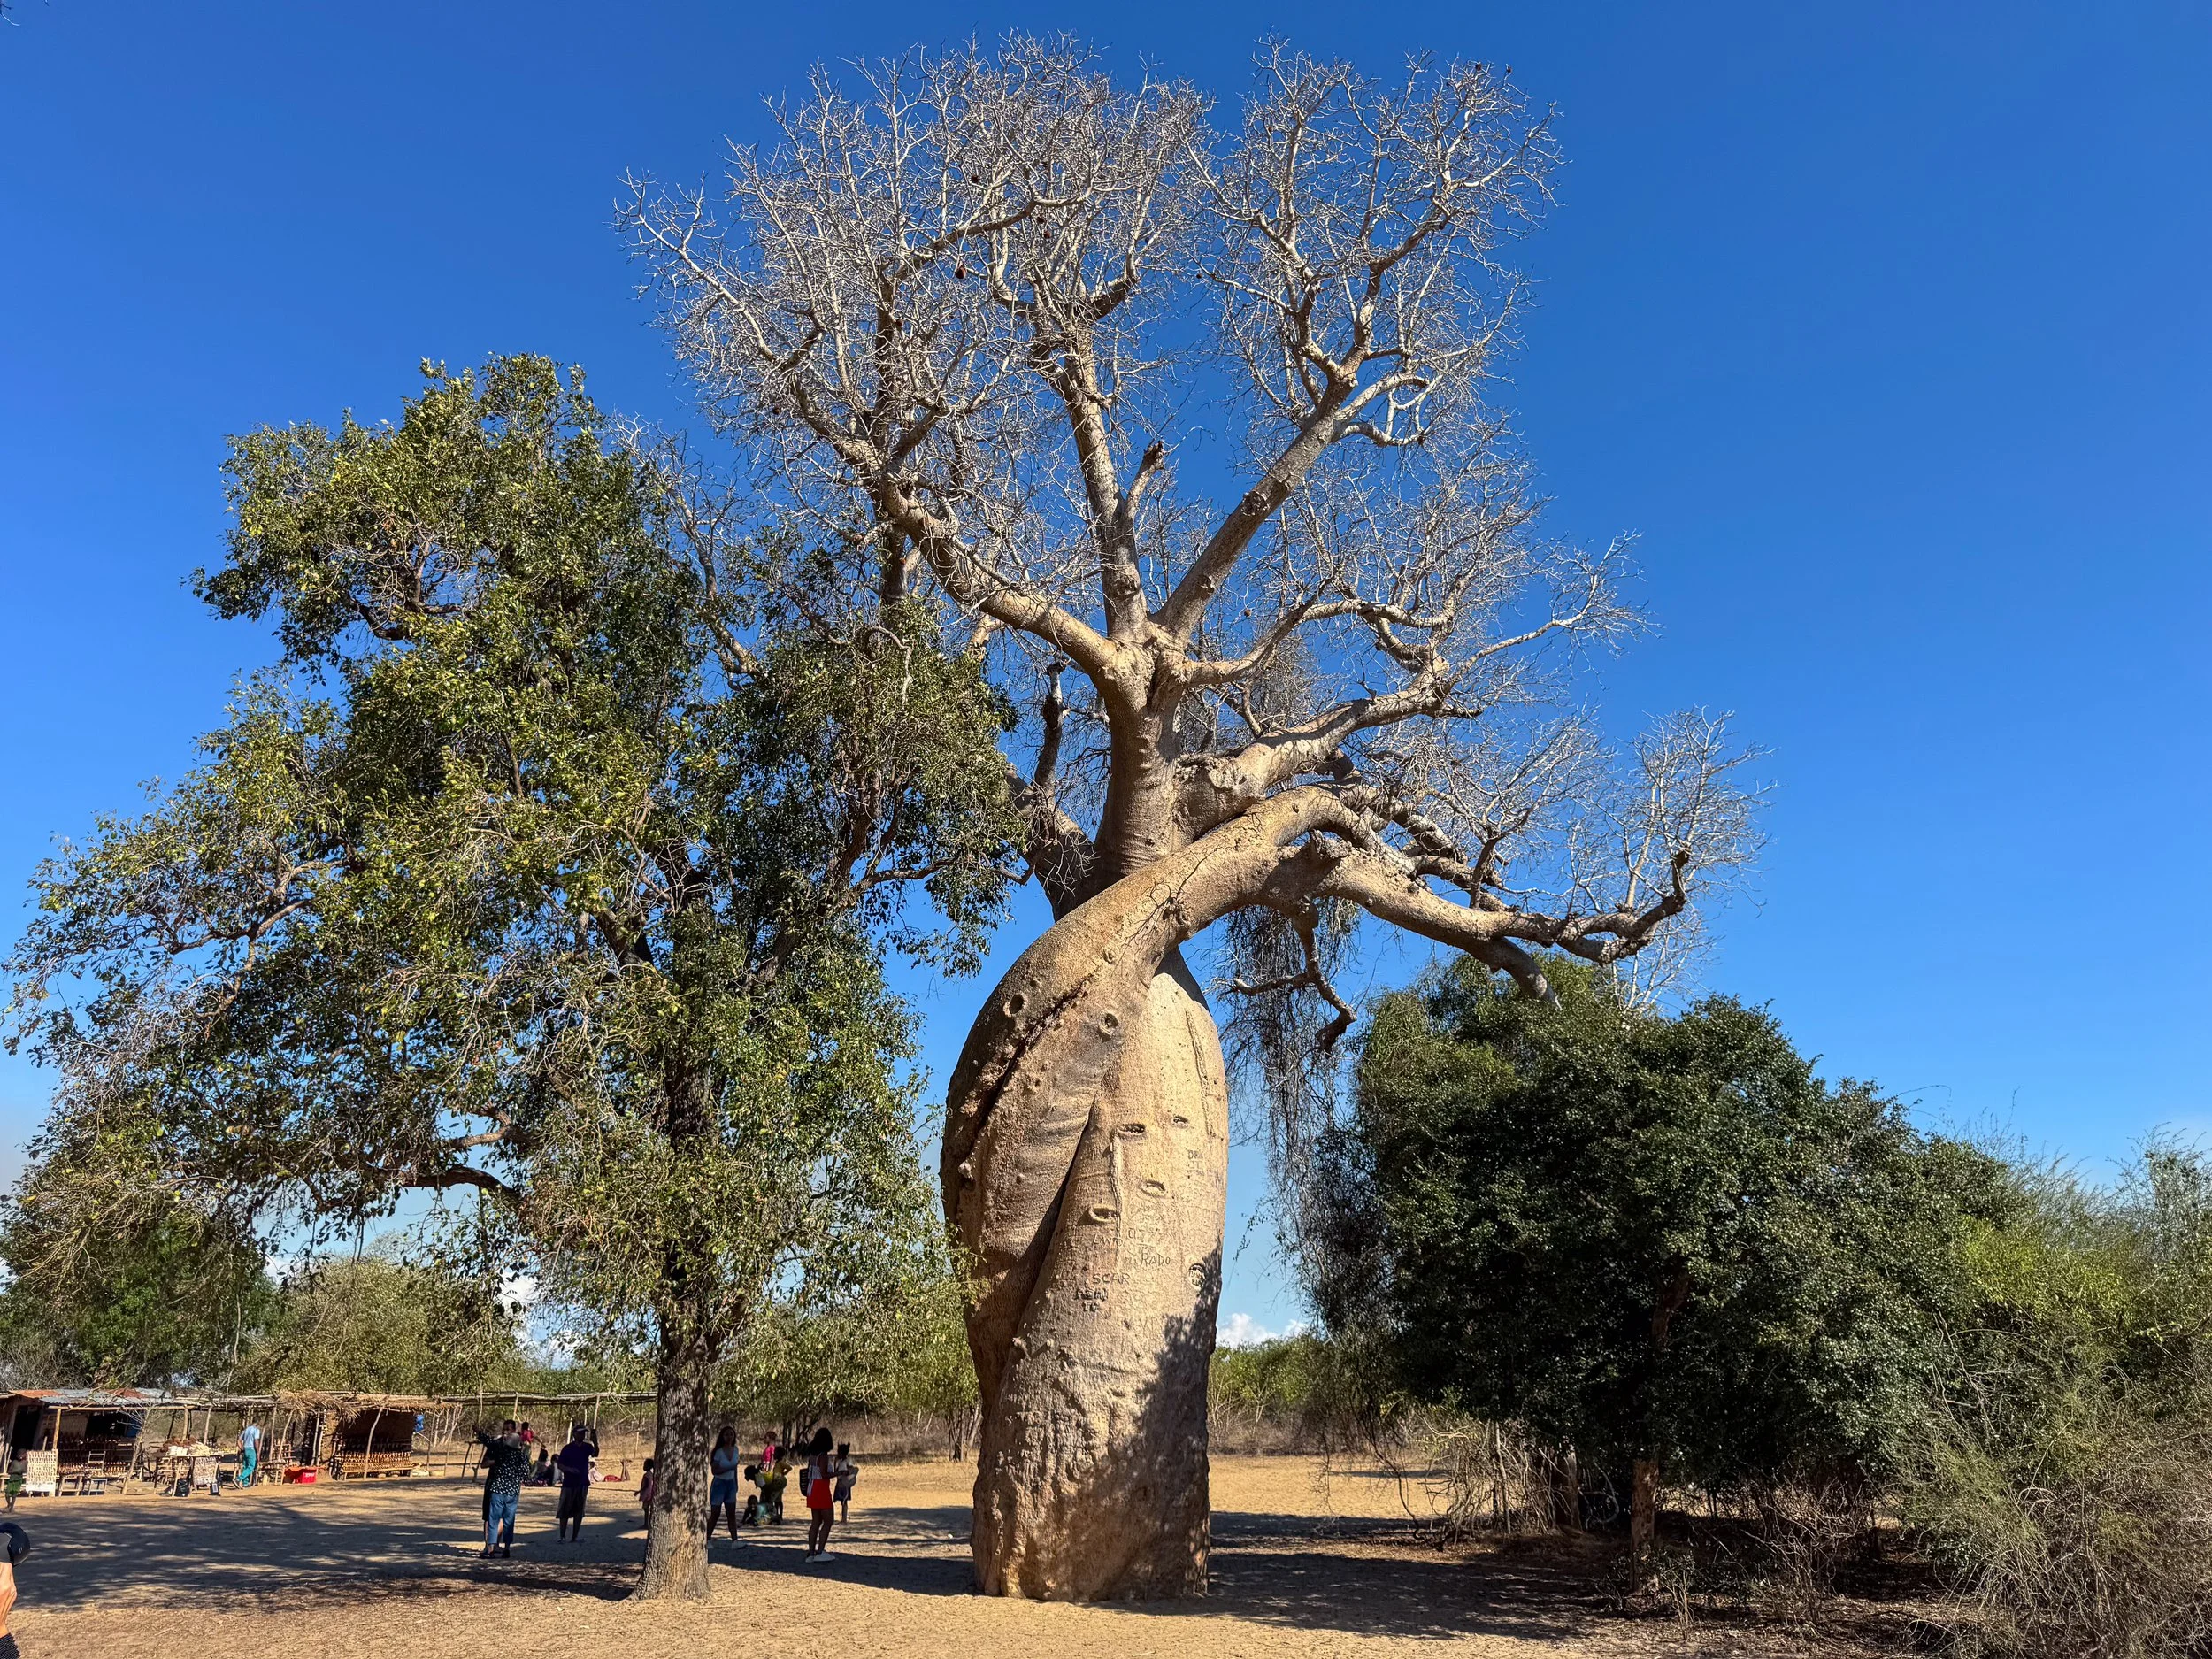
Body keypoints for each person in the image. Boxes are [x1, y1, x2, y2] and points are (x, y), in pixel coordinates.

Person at [478, 1420, 529, 1558]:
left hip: (498, 1490)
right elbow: (526, 1475)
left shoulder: (501, 1453)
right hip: (513, 1493)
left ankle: (490, 1549)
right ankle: (507, 1548)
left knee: (493, 1519)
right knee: (509, 1521)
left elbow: (489, 1442)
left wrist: (478, 1432)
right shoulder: (522, 1457)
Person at [554, 1422, 598, 1542]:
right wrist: (570, 1470)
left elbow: (596, 1453)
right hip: (569, 1483)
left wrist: (595, 1441)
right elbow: (560, 1465)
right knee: (565, 1509)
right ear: (574, 1434)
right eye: (580, 1433)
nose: (582, 1435)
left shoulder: (587, 1447)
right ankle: (562, 1536)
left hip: (582, 1482)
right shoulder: (567, 1448)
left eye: (584, 1433)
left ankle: (575, 1536)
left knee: (579, 1510)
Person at [802, 1427, 838, 1561]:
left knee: (815, 1522)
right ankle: (820, 1551)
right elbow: (824, 1474)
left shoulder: (812, 1456)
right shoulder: (823, 1456)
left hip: (812, 1489)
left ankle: (811, 1552)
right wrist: (838, 1473)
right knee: (828, 1521)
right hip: (821, 1489)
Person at [706, 1425, 745, 1543]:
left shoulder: (736, 1450)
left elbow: (735, 1468)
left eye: (731, 1434)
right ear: (722, 1437)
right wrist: (728, 1468)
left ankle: (735, 1540)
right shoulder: (718, 1452)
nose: (729, 1437)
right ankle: (707, 1539)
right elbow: (714, 1471)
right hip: (719, 1484)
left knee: (731, 1513)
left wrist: (736, 1483)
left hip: (731, 1484)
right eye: (726, 1435)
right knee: (715, 1513)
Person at [832, 1441, 856, 1525]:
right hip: (839, 1482)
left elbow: (851, 1470)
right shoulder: (837, 1461)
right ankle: (842, 1518)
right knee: (841, 1500)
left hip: (845, 1483)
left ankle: (844, 1519)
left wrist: (847, 1472)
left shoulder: (847, 1461)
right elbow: (835, 1471)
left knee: (844, 1501)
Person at [237, 1420, 262, 1490]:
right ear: (258, 1423)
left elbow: (238, 1440)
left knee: (246, 1466)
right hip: (251, 1449)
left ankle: (245, 1483)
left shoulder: (247, 1430)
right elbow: (256, 1441)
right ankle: (238, 1478)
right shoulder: (256, 1430)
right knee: (251, 1466)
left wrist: (241, 1448)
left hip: (245, 1449)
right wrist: (258, 1452)